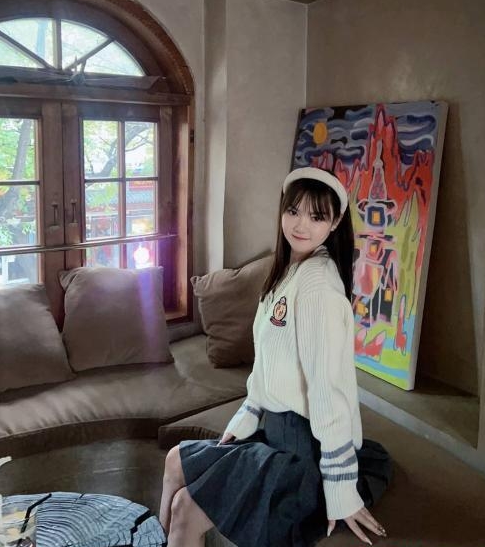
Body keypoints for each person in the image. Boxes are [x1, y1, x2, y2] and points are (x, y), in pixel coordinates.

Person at [159, 167, 392, 547]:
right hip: (276, 431)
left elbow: (328, 389)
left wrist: (341, 489)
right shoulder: (287, 272)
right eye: (293, 211)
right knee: (174, 460)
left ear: (335, 223)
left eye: (317, 216)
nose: (301, 225)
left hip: (302, 455)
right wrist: (248, 414)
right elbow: (272, 364)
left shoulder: (317, 284)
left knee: (186, 505)